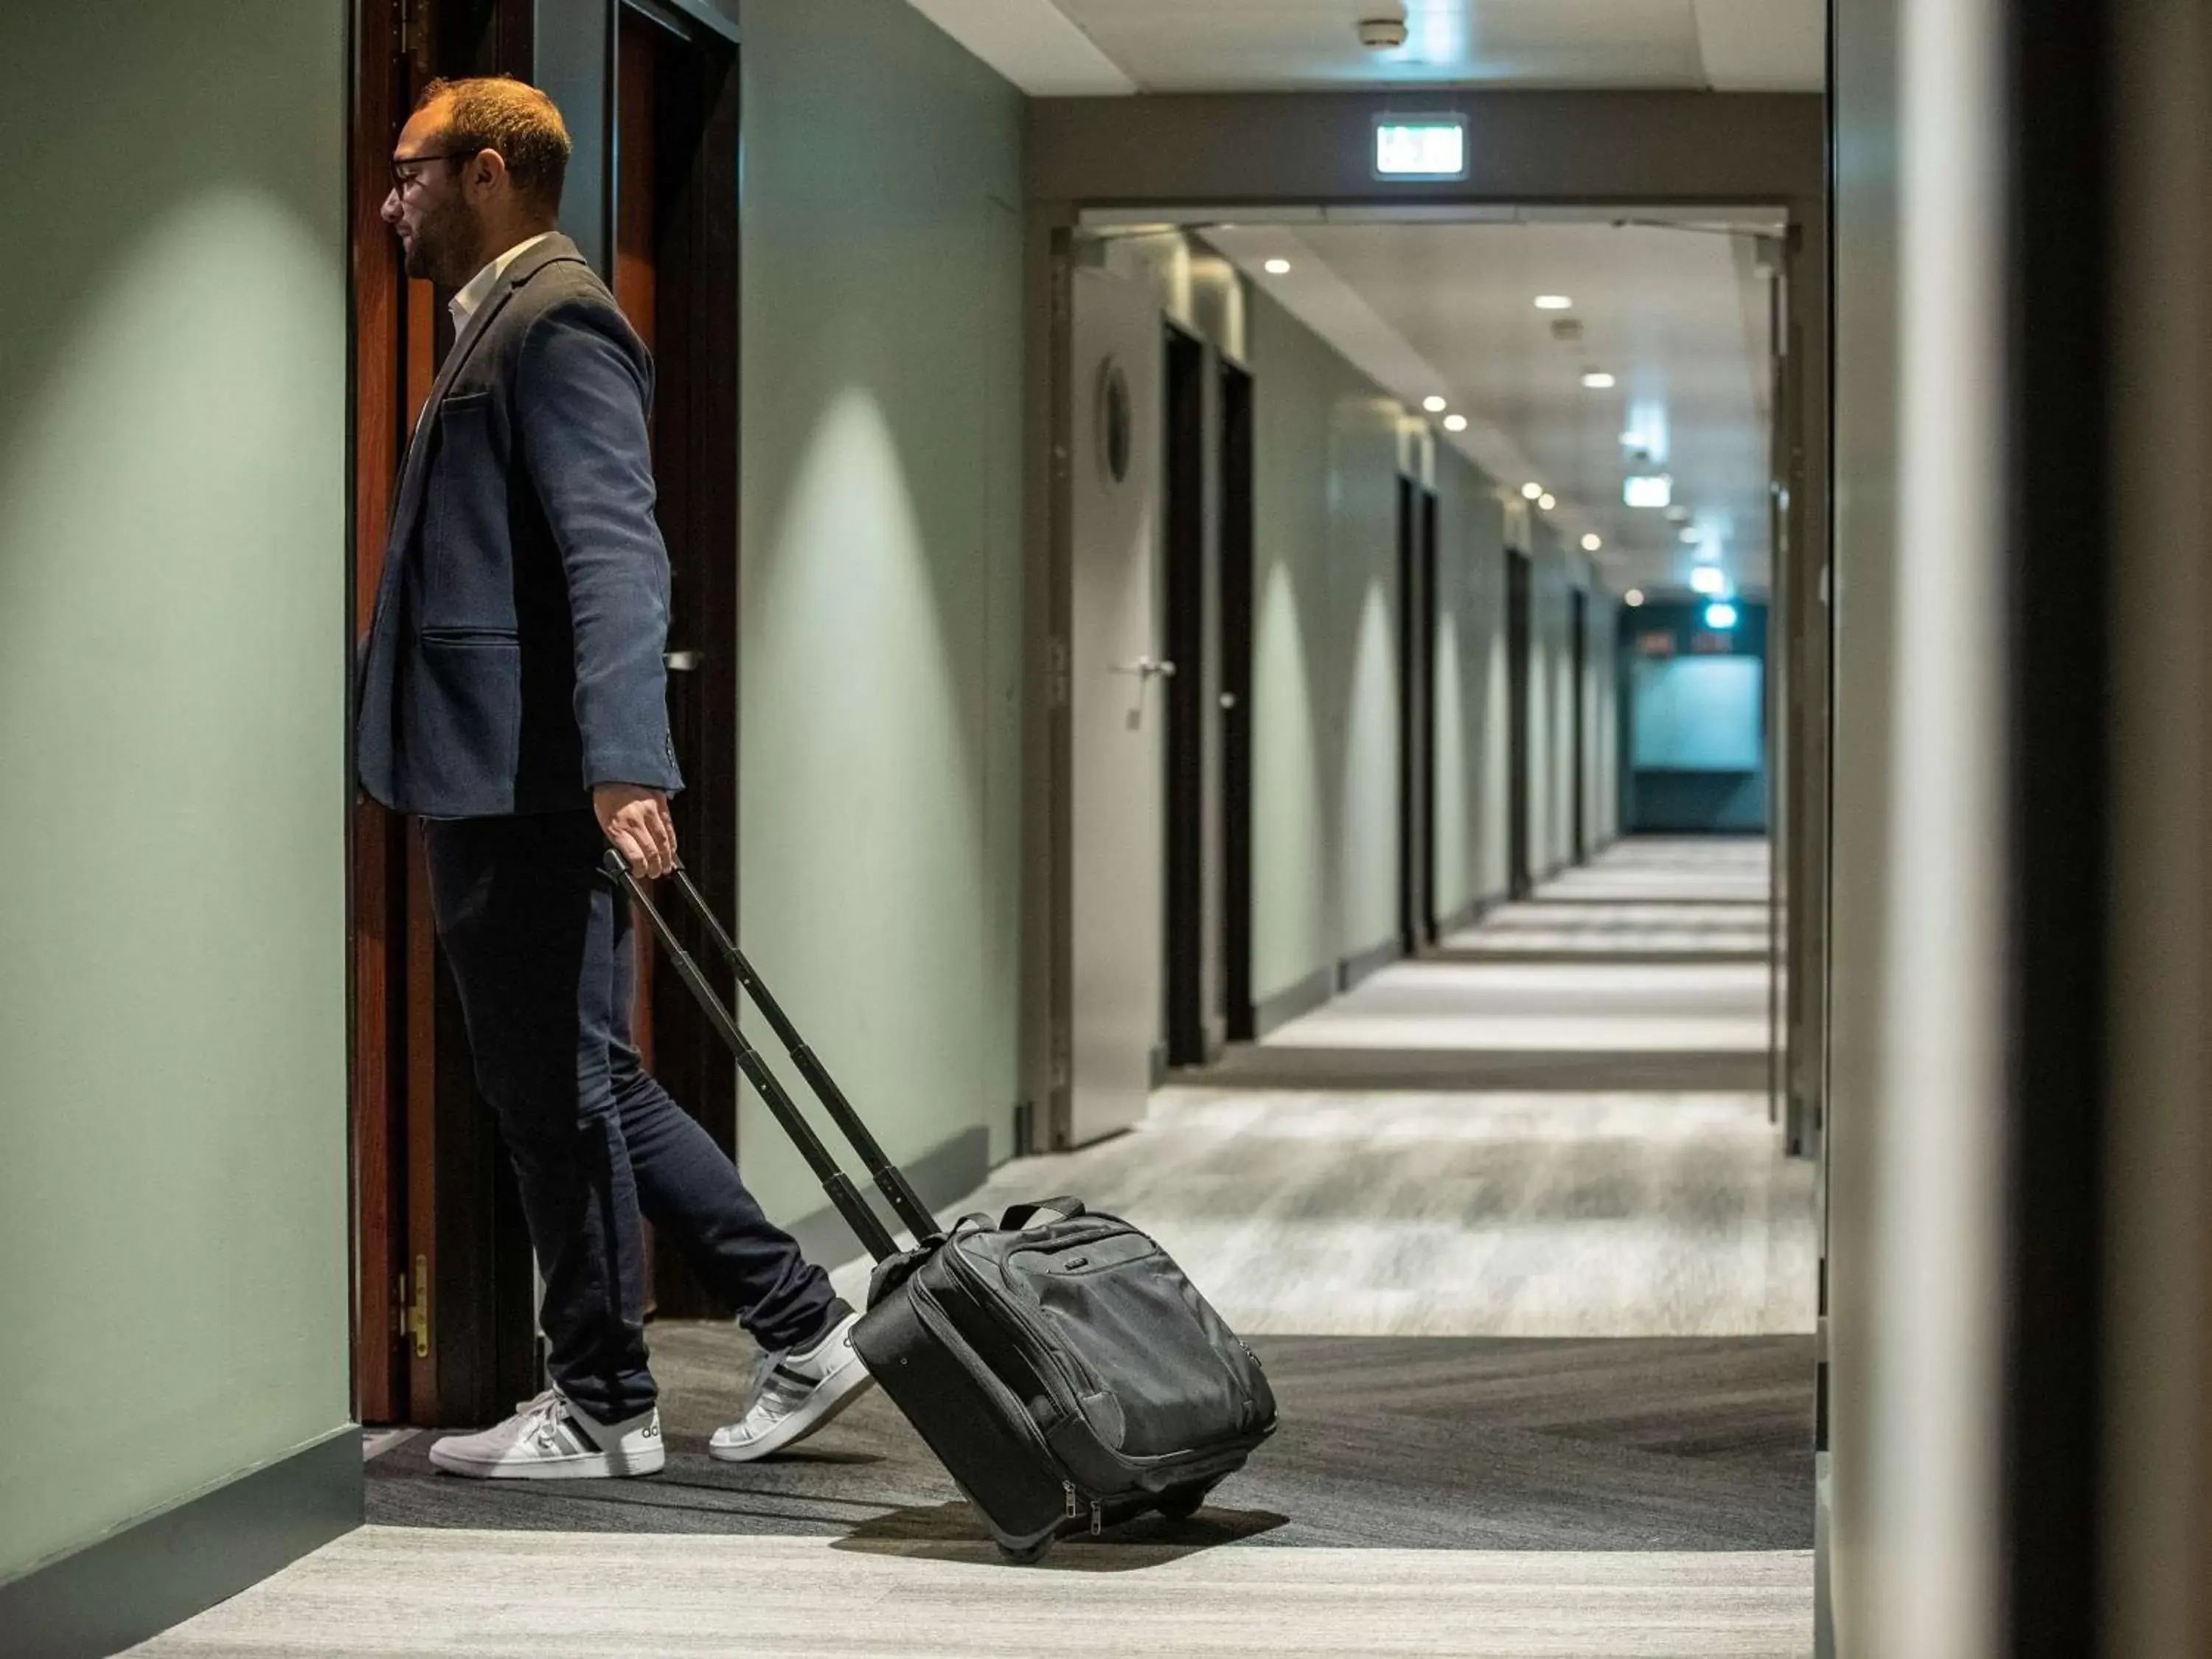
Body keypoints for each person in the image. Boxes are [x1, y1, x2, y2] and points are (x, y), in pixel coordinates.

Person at [356, 75, 872, 1478]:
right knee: (573, 1077)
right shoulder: (490, 326)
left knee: (556, 1088)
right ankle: (752, 1340)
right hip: (490, 770)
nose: (388, 198)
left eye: (407, 171)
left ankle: (617, 1396)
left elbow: (616, 552)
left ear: (486, 173)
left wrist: (626, 759)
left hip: (532, 778)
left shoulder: (558, 319)